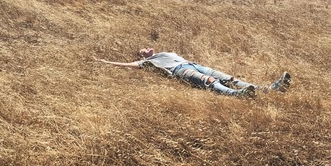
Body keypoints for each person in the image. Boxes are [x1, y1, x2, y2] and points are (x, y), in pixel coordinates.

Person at [94, 48, 291, 98]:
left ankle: (270, 89)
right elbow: (126, 64)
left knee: (230, 78)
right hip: (181, 71)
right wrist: (104, 61)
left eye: (146, 48)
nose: (146, 49)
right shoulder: (147, 62)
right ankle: (238, 96)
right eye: (142, 50)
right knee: (209, 81)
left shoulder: (165, 52)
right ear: (142, 55)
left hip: (194, 64)